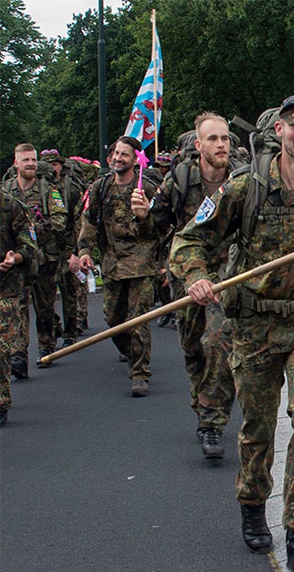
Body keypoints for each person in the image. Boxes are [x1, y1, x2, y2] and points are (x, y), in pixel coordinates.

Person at [170, 93, 294, 572]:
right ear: (278, 130)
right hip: (254, 324)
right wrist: (196, 274)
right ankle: (253, 501)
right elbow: (189, 239)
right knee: (257, 429)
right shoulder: (246, 185)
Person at [154, 112, 237, 459]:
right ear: (198, 145)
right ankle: (202, 401)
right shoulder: (179, 180)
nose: (221, 145)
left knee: (218, 342)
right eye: (213, 139)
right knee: (194, 349)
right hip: (187, 274)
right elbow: (158, 226)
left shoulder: (242, 179)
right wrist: (144, 215)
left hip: (229, 274)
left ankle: (212, 423)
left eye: (225, 139)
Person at [74, 136, 167, 396]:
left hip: (141, 264)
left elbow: (162, 227)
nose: (118, 158)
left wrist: (162, 261)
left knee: (139, 320)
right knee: (114, 320)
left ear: (135, 160)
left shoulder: (147, 188)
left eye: (124, 154)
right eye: (115, 154)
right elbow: (90, 221)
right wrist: (84, 251)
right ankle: (130, 351)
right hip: (112, 264)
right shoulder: (100, 187)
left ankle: (140, 373)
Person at [4, 143, 69, 372]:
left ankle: (46, 345)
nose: (30, 164)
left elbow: (61, 218)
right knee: (18, 307)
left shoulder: (48, 189)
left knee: (44, 306)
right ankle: (18, 355)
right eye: (25, 160)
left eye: (33, 160)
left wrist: (36, 229)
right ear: (16, 163)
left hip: (43, 257)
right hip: (18, 260)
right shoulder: (7, 190)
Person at [0, 188, 38, 426]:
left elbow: (30, 246)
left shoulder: (10, 206)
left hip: (5, 288)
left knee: (2, 347)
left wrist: (15, 258)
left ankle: (1, 402)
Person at [40, 149, 85, 348]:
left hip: (67, 245)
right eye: (49, 164)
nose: (52, 168)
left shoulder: (71, 189)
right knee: (44, 295)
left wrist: (77, 249)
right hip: (47, 249)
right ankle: (54, 326)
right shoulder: (41, 189)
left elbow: (78, 221)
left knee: (69, 291)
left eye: (55, 164)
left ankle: (70, 331)